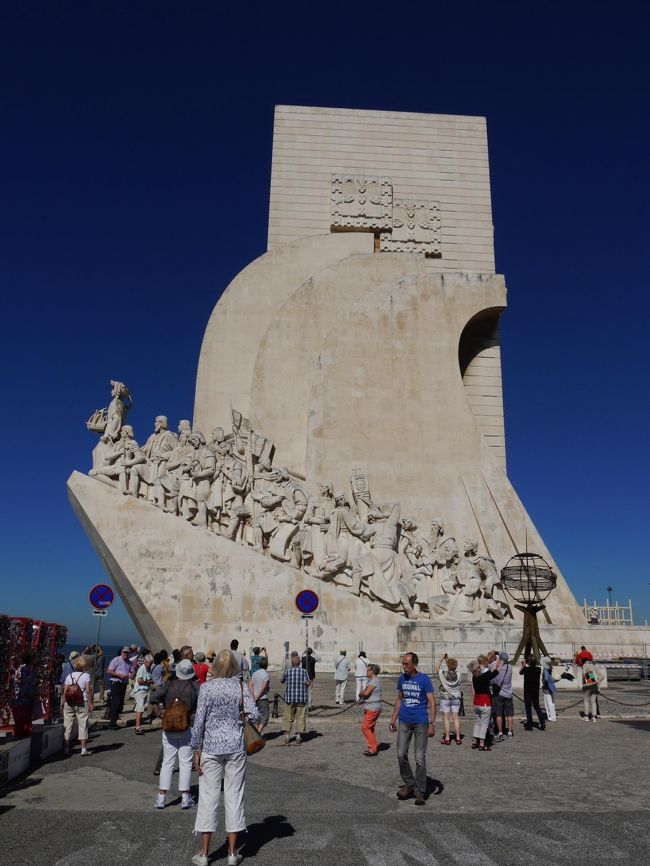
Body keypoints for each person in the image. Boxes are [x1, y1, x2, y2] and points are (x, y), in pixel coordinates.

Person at [191, 648, 259, 866]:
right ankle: (232, 853)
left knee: (208, 797)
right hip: (236, 746)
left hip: (211, 747)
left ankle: (203, 854)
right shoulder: (239, 687)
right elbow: (255, 714)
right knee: (234, 795)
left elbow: (199, 721)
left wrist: (195, 749)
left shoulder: (207, 689)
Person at [389, 652, 436, 805]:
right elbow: (399, 698)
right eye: (403, 663)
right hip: (404, 720)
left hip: (420, 722)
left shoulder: (424, 679)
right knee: (401, 753)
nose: (404, 667)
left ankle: (420, 791)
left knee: (419, 758)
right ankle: (409, 783)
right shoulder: (402, 678)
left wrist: (432, 723)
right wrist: (393, 719)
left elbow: (432, 701)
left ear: (414, 665)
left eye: (406, 664)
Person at [156, 658, 199, 810]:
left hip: (169, 727)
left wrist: (161, 715)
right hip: (187, 726)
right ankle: (186, 798)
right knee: (185, 762)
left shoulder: (168, 685)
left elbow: (154, 698)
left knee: (167, 762)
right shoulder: (194, 687)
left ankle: (161, 797)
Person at [62, 655, 94, 756]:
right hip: (82, 702)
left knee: (67, 724)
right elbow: (88, 691)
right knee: (83, 725)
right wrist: (90, 703)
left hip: (69, 702)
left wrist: (62, 703)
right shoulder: (86, 676)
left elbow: (65, 691)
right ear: (83, 666)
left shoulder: (69, 676)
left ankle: (66, 749)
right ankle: (83, 749)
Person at [468, 658, 500, 750]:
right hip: (484, 702)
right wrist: (497, 668)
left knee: (477, 722)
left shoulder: (474, 677)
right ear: (476, 669)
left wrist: (494, 669)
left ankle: (475, 741)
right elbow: (490, 675)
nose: (480, 668)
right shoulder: (482, 677)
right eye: (478, 667)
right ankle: (482, 743)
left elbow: (487, 674)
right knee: (484, 724)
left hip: (476, 702)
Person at [281, 651, 311, 745]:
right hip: (301, 698)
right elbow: (307, 683)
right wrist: (306, 684)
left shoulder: (288, 671)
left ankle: (287, 735)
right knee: (300, 718)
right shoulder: (304, 671)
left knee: (287, 717)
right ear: (299, 663)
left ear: (292, 663)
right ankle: (298, 735)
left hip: (289, 698)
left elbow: (282, 680)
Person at [436, 654, 462, 745]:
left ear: (447, 666)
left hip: (445, 697)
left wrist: (441, 659)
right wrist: (448, 661)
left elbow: (437, 668)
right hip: (456, 697)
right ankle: (458, 737)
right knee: (456, 718)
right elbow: (452, 669)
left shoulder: (443, 674)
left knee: (446, 718)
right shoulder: (459, 674)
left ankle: (447, 738)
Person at [11, 653, 39, 738]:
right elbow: (32, 684)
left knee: (18, 717)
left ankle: (18, 732)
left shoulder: (18, 669)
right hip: (26, 698)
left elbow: (17, 682)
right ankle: (23, 732)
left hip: (17, 697)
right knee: (26, 717)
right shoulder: (30, 670)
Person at [357, 663, 382, 756]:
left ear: (372, 671)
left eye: (368, 670)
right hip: (370, 707)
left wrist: (361, 693)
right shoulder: (372, 681)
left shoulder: (374, 681)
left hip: (373, 708)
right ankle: (373, 747)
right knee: (370, 728)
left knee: (365, 727)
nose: (367, 672)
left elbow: (366, 693)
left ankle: (373, 748)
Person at [491, 651, 514, 740]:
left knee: (499, 715)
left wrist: (495, 667)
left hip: (499, 694)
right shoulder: (510, 668)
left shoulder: (497, 670)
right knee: (509, 715)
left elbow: (493, 681)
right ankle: (510, 732)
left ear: (500, 660)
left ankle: (500, 732)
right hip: (508, 694)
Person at [107, 647, 132, 728]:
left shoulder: (129, 662)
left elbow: (131, 672)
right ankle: (112, 723)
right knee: (116, 703)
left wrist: (131, 674)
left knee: (120, 704)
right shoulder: (116, 660)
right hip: (115, 683)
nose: (126, 654)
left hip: (123, 684)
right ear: (121, 652)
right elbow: (109, 671)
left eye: (127, 653)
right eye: (124, 652)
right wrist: (119, 675)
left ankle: (113, 720)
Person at [520, 655, 545, 731]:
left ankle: (529, 724)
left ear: (529, 661)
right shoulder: (538, 669)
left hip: (528, 691)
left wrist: (523, 666)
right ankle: (542, 722)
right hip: (535, 691)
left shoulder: (526, 669)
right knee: (537, 707)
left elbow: (520, 672)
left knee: (528, 707)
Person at [133, 653, 154, 734]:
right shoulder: (142, 669)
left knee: (140, 708)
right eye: (150, 663)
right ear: (146, 661)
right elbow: (140, 681)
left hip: (144, 690)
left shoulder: (146, 668)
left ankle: (138, 725)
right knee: (140, 708)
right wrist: (149, 682)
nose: (151, 665)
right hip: (140, 691)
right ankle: (137, 727)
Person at [250, 656, 270, 734]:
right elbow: (263, 688)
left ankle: (256, 733)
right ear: (266, 665)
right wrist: (258, 696)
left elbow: (250, 685)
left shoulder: (255, 673)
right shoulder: (265, 675)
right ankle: (258, 734)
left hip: (254, 697)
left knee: (257, 716)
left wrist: (253, 695)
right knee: (265, 716)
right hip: (263, 698)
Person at [541, 656, 557, 722]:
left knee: (548, 703)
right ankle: (553, 716)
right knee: (552, 702)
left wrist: (543, 684)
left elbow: (546, 679)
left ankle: (551, 717)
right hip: (551, 687)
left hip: (547, 687)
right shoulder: (550, 668)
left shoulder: (545, 670)